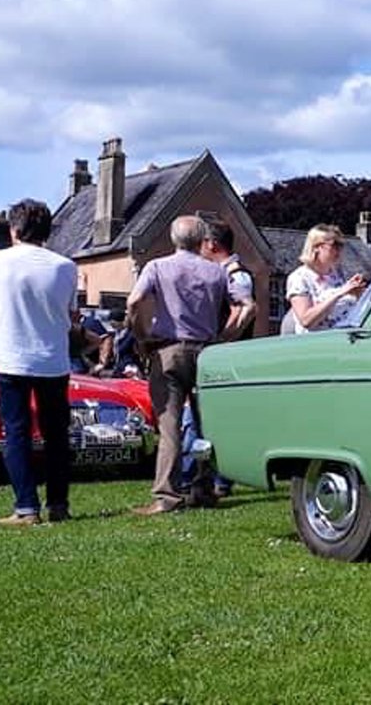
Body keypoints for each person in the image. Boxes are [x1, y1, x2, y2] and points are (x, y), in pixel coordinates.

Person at [0, 199, 78, 527]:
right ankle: (58, 504)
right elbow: (71, 313)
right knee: (56, 434)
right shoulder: (66, 266)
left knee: (16, 431)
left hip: (10, 356)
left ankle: (26, 507)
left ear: (14, 229)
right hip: (52, 358)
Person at [126, 215, 229, 515]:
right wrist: (223, 334)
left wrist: (141, 335)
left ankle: (167, 496)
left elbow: (134, 302)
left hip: (169, 350)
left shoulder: (157, 267)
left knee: (169, 423)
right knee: (207, 423)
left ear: (173, 239)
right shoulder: (217, 272)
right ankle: (204, 486)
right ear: (202, 241)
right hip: (207, 352)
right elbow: (244, 306)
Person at [180, 219, 257, 499]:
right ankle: (212, 479)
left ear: (212, 244)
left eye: (202, 244)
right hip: (227, 354)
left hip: (227, 356)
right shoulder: (225, 273)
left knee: (204, 418)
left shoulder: (236, 274)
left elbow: (245, 309)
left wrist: (222, 339)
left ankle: (204, 479)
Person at [286, 225, 366, 333]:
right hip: (317, 343)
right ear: (316, 247)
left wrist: (357, 294)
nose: (339, 250)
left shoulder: (339, 274)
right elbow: (306, 321)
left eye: (341, 245)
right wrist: (339, 293)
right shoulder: (299, 278)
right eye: (334, 245)